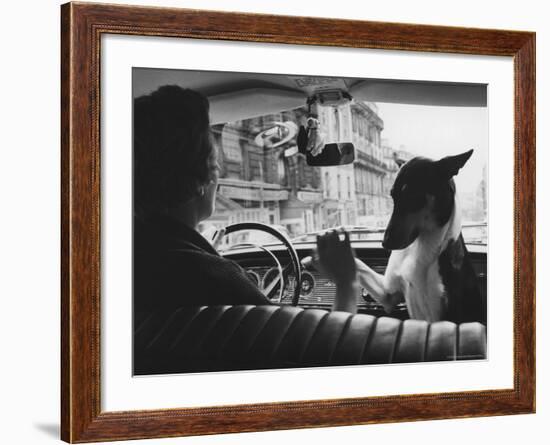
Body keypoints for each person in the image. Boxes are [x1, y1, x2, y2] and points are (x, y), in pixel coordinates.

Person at [133, 85, 358, 313]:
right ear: (202, 178)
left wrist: (203, 250)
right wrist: (347, 282)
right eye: (214, 160)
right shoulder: (216, 279)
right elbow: (331, 346)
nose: (218, 170)